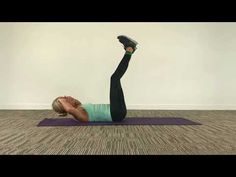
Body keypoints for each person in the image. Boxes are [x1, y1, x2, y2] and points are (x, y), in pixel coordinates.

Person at [52, 35, 138, 122]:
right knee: (114, 78)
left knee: (115, 79)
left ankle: (130, 49)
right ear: (65, 106)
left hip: (116, 111)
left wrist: (63, 100)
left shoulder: (79, 108)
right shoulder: (79, 115)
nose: (67, 96)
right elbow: (70, 110)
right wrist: (60, 100)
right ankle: (130, 48)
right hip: (115, 113)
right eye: (65, 99)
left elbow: (72, 107)